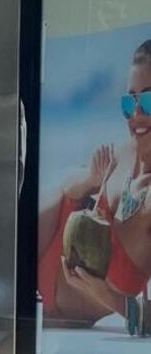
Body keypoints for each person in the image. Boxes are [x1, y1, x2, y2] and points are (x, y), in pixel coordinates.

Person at [38, 39, 151, 328]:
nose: (136, 114)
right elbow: (67, 189)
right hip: (41, 245)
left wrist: (103, 295)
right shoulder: (123, 152)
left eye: (148, 101)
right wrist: (90, 179)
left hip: (58, 306)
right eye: (129, 102)